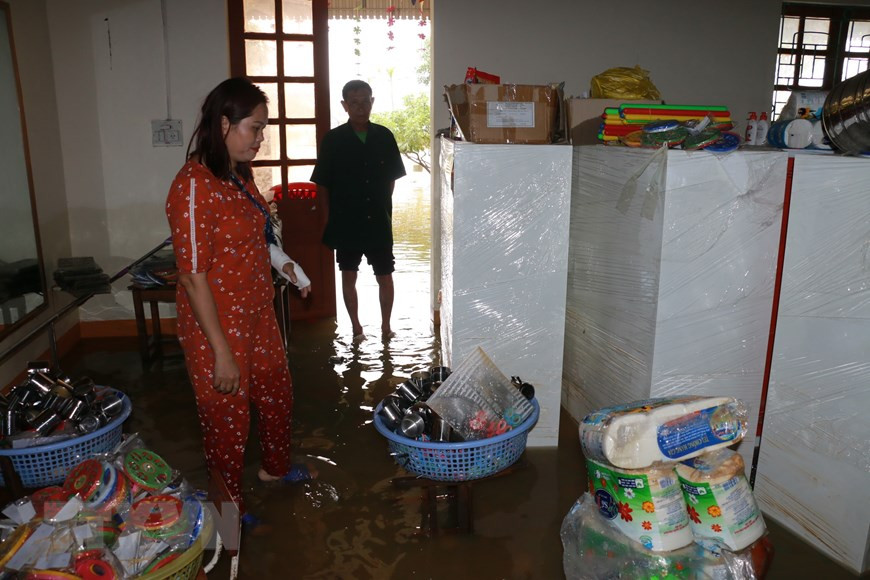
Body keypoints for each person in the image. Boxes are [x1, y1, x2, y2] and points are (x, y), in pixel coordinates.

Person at [165, 77, 313, 517]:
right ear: (225, 123)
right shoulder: (194, 186)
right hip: (216, 325)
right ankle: (228, 515)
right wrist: (222, 353)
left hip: (257, 313)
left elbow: (254, 238)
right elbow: (192, 278)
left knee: (277, 395)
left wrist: (283, 262)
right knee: (227, 425)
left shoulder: (238, 176)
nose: (261, 138)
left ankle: (274, 469)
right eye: (256, 127)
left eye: (263, 128)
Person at [311, 79, 406, 341]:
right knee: (348, 274)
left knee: (385, 276)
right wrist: (328, 220)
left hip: (378, 220)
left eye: (365, 101)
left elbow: (391, 179)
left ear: (372, 102)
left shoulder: (385, 136)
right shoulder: (333, 140)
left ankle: (386, 328)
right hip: (346, 221)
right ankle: (356, 328)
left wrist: (380, 206)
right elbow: (323, 184)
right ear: (345, 105)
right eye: (354, 102)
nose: (360, 107)